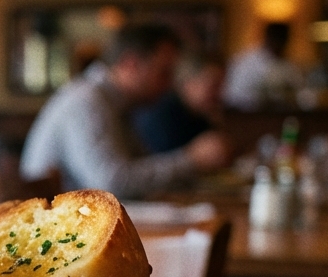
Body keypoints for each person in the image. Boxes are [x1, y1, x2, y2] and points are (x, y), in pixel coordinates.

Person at [19, 23, 231, 198]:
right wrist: (192, 160)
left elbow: (137, 169)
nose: (169, 86)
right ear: (130, 65)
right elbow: (111, 184)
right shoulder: (86, 101)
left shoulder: (119, 104)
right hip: (59, 237)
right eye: (164, 73)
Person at [132, 50, 226, 154]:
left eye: (221, 86)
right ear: (189, 83)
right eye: (214, 86)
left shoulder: (198, 114)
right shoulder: (161, 115)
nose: (219, 94)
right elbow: (164, 164)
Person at [223, 22, 303, 111]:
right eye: (277, 41)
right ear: (268, 38)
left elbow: (300, 92)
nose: (280, 47)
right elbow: (233, 96)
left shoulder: (288, 65)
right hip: (247, 117)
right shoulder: (246, 62)